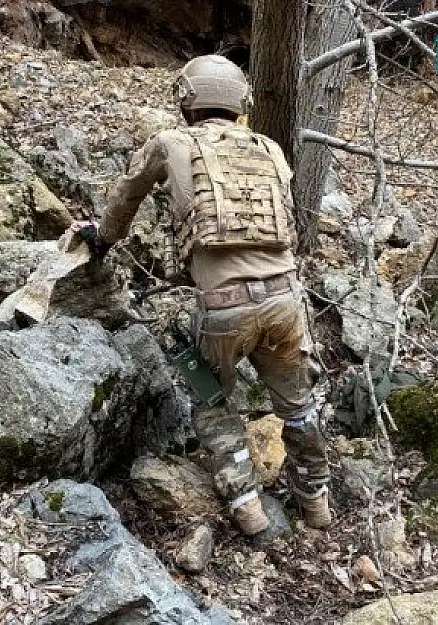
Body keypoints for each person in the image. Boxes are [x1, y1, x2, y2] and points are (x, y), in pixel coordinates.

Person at [87, 54, 333, 536]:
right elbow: (288, 223)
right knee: (298, 405)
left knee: (210, 396)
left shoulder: (171, 142)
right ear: (239, 102)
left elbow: (126, 196)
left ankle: (246, 505)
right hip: (286, 302)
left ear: (187, 99)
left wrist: (101, 238)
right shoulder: (270, 149)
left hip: (223, 310)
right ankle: (316, 500)